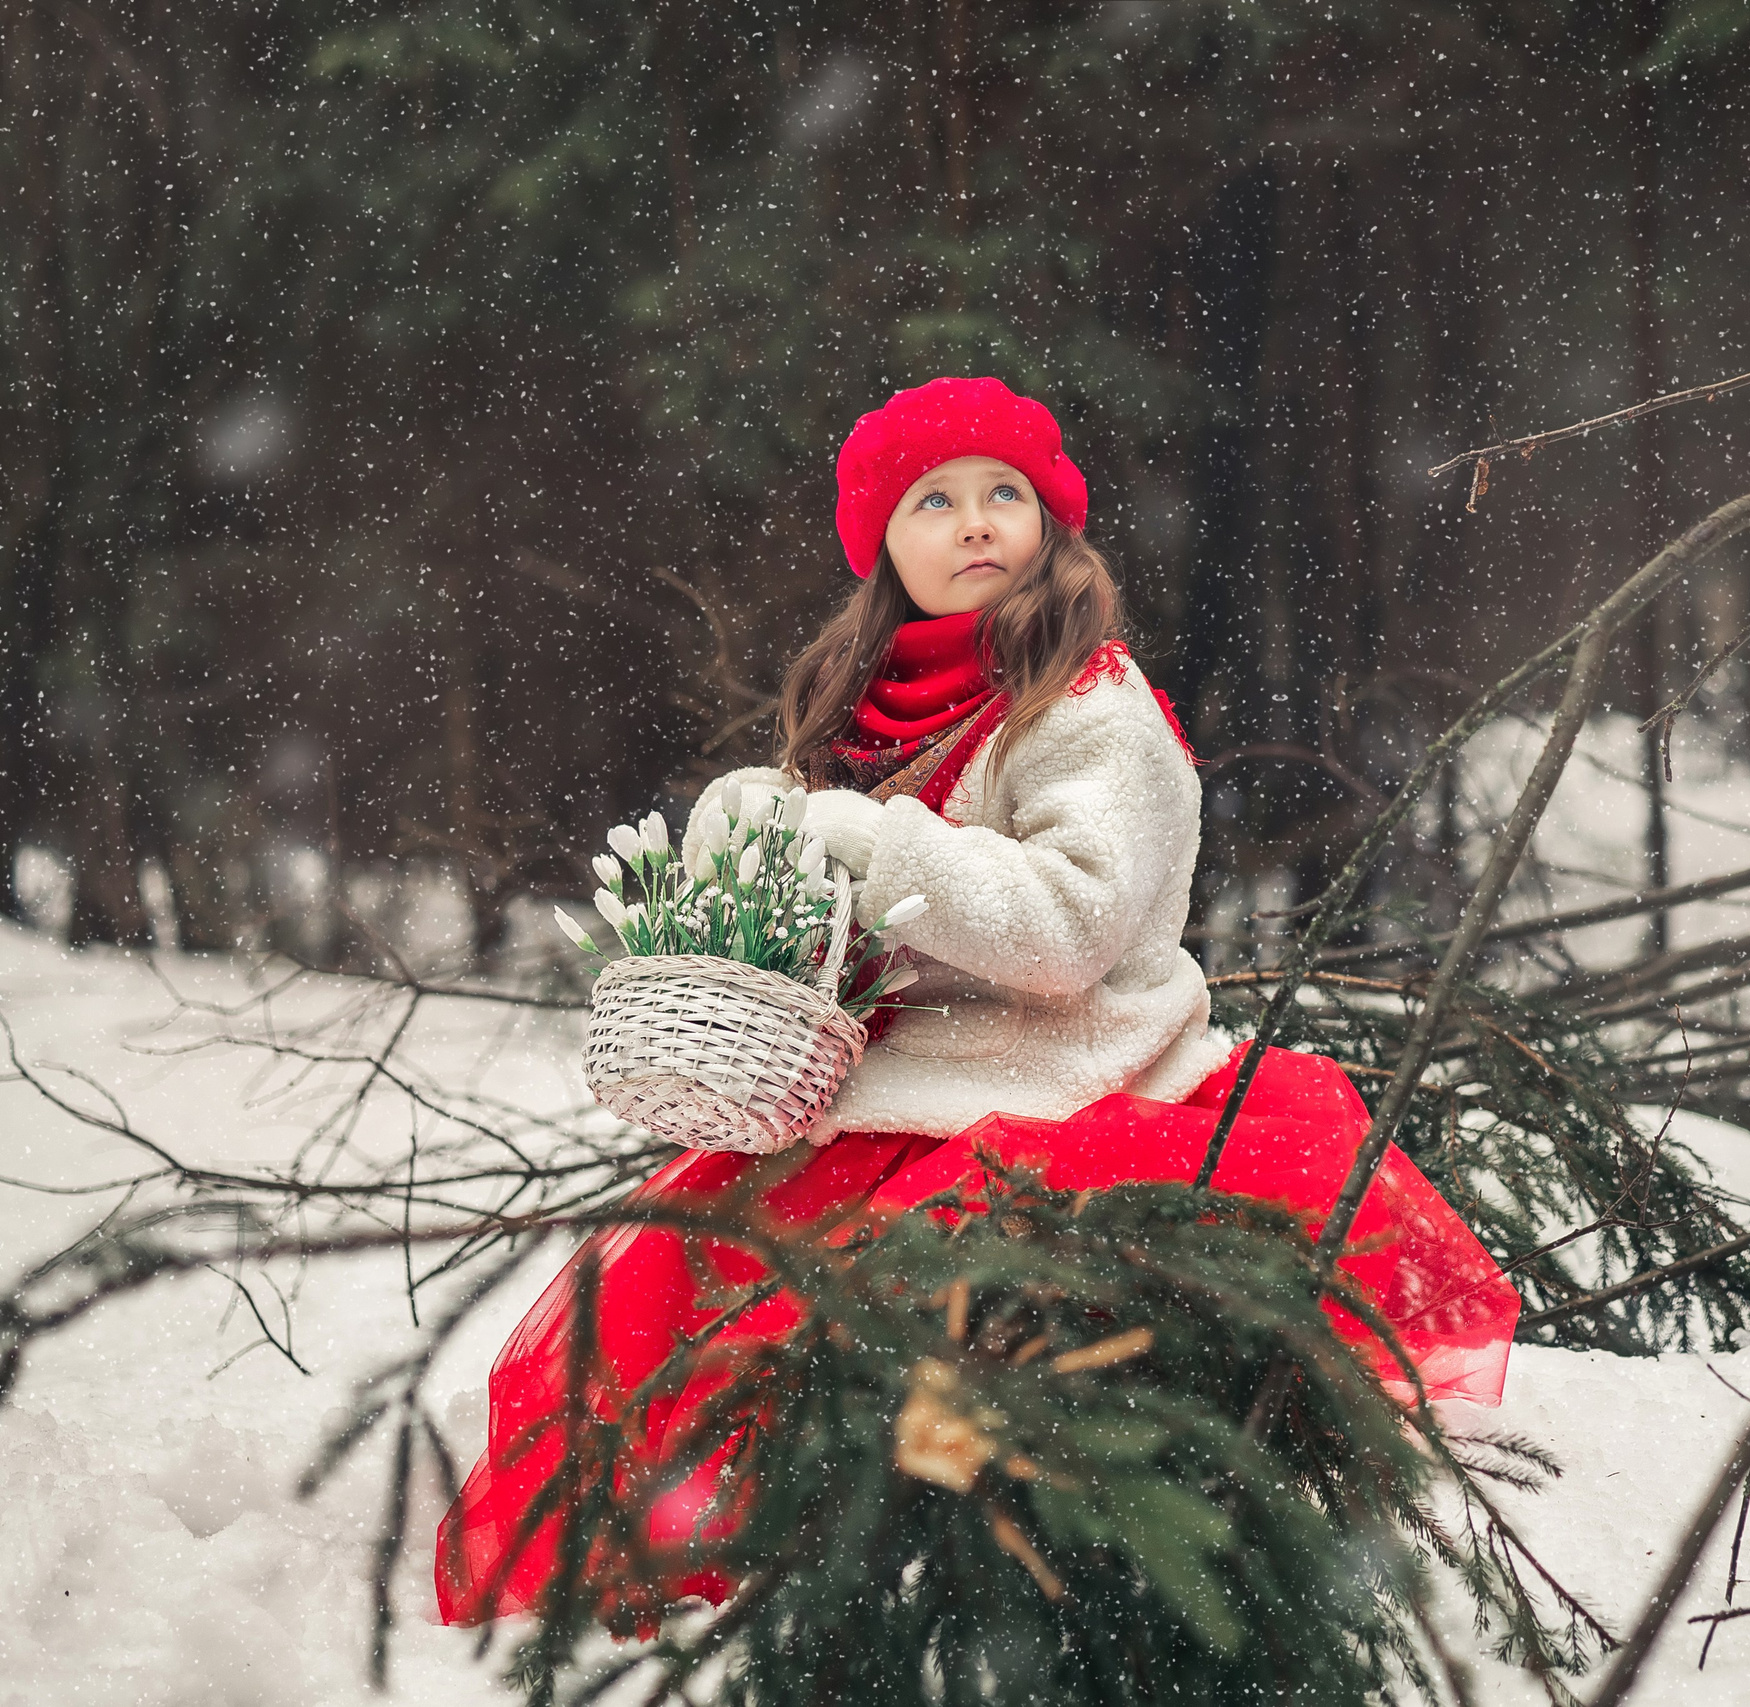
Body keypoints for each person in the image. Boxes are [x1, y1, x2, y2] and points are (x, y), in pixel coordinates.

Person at [435, 376, 1517, 1626]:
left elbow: (1066, 931)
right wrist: (759, 872)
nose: (974, 522)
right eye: (934, 500)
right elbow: (858, 941)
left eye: (1006, 493)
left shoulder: (1088, 706)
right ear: (882, 544)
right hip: (892, 1089)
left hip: (1065, 1081)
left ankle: (899, 1550)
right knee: (687, 1293)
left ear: (1052, 525)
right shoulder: (863, 700)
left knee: (883, 1315)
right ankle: (682, 1542)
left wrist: (862, 841)